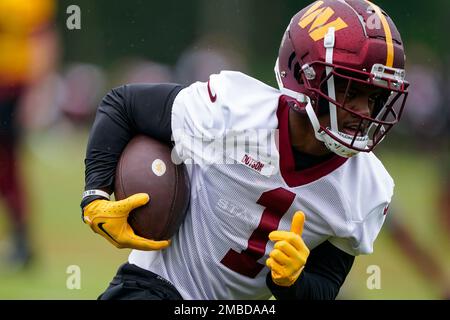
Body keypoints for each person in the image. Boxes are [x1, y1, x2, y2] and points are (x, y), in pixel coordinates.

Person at [81, 0, 409, 300]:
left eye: (376, 97)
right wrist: (95, 195)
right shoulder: (233, 109)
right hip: (157, 287)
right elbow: (122, 104)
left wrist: (292, 282)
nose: (365, 111)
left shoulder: (366, 188)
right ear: (304, 75)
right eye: (352, 89)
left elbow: (323, 287)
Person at [0, 0, 56, 269]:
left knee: (8, 166)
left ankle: (22, 241)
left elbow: (43, 40)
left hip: (11, 87)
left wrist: (36, 91)